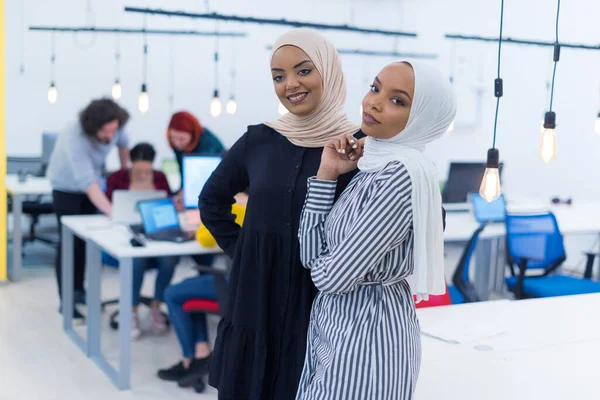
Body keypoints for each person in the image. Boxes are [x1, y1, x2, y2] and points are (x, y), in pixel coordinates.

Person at [198, 28, 361, 399]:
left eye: (304, 71)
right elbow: (211, 200)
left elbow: (399, 210)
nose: (290, 85)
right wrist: (244, 251)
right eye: (278, 76)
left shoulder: (357, 145)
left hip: (318, 298)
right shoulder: (259, 139)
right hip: (255, 295)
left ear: (329, 72)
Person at [295, 61, 456, 400]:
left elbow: (331, 278)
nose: (373, 102)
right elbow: (310, 255)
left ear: (422, 119)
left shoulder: (400, 177)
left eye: (397, 100)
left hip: (368, 337)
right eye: (375, 87)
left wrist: (328, 265)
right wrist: (327, 174)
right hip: (338, 328)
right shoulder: (372, 168)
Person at [47, 98, 130, 318]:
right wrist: (114, 213)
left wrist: (124, 174)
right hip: (66, 187)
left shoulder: (115, 126)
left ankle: (79, 291)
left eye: (114, 130)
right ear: (93, 127)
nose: (110, 136)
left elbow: (123, 143)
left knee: (86, 242)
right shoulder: (75, 135)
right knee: (69, 245)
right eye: (105, 132)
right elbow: (87, 182)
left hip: (91, 183)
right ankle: (66, 301)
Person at [157, 192, 247, 390]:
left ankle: (188, 360)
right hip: (251, 286)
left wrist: (208, 211)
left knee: (172, 294)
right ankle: (201, 352)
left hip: (235, 286)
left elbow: (204, 239)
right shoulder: (262, 205)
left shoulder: (236, 208)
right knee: (191, 285)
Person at [105, 142, 178, 340]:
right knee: (136, 260)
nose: (144, 173)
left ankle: (156, 305)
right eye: (139, 169)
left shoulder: (160, 177)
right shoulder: (117, 177)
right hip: (124, 231)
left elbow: (167, 203)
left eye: (148, 169)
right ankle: (131, 310)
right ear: (131, 163)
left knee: (169, 259)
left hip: (154, 230)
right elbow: (109, 205)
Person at [166, 111, 225, 209]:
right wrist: (182, 190)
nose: (177, 143)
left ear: (193, 135)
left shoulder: (208, 144)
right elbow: (183, 171)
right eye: (173, 137)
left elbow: (202, 178)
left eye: (181, 139)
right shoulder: (179, 147)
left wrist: (186, 193)